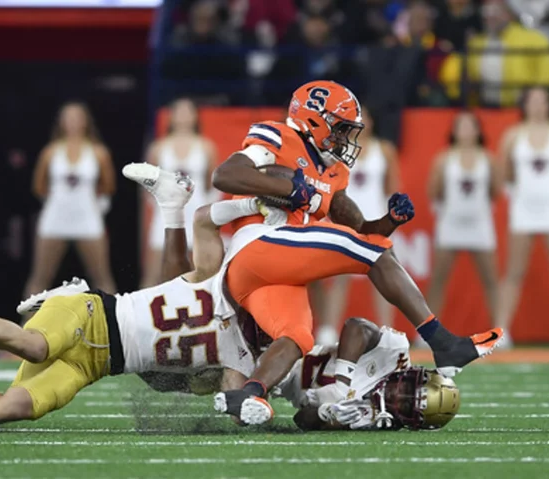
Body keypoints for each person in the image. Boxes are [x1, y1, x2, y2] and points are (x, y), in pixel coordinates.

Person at [0, 165, 256, 430]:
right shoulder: (217, 282)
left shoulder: (239, 359)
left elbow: (234, 402)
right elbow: (205, 220)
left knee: (14, 407)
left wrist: (251, 402)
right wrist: (253, 204)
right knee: (34, 346)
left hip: (96, 366)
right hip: (91, 312)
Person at [210, 80, 503, 425]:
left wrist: (388, 221)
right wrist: (287, 186)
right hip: (257, 244)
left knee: (297, 337)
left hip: (273, 271)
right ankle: (441, 341)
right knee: (370, 253)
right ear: (315, 120)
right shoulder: (277, 136)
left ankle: (250, 394)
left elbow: (362, 229)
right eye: (341, 128)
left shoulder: (332, 170)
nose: (346, 139)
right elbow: (225, 174)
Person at [276, 317, 460, 431]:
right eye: (407, 387)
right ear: (412, 374)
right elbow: (356, 326)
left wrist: (326, 414)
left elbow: (301, 419)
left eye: (405, 404)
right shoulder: (394, 352)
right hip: (289, 348)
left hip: (280, 385)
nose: (397, 394)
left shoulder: (373, 419)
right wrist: (341, 384)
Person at [319, 105, 400, 345]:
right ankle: (328, 330)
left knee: (384, 276)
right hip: (346, 219)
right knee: (339, 277)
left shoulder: (383, 150)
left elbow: (391, 188)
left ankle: (389, 331)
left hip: (375, 220)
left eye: (366, 117)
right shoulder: (338, 151)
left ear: (373, 122)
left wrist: (391, 219)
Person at [25, 103, 116, 297]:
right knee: (40, 277)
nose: (73, 122)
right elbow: (39, 186)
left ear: (85, 121)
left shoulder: (98, 152)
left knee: (102, 276)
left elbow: (108, 186)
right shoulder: (50, 152)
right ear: (61, 122)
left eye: (77, 117)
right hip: (55, 220)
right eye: (68, 117)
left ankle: (113, 325)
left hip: (88, 220)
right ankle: (25, 325)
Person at [426, 110, 501, 338]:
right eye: (461, 126)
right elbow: (434, 191)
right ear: (454, 131)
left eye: (470, 126)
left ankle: (500, 331)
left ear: (478, 131)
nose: (466, 131)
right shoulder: (444, 159)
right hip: (451, 223)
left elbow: (495, 191)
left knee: (491, 279)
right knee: (438, 279)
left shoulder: (488, 159)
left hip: (480, 223)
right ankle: (429, 332)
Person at [142, 98, 217, 287]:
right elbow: (148, 184)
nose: (183, 116)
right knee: (153, 274)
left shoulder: (206, 146)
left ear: (195, 116)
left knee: (200, 275)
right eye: (179, 111)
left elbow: (213, 183)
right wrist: (162, 205)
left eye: (188, 111)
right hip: (166, 215)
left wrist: (206, 213)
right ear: (171, 116)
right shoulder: (158, 148)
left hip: (195, 214)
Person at [497, 86, 549, 346]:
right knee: (513, 272)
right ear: (525, 104)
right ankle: (502, 330)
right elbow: (504, 173)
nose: (538, 106)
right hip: (524, 209)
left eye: (543, 101)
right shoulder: (513, 136)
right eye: (533, 100)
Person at [440, 0, 549, 106]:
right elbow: (456, 72)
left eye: (496, 10)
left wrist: (536, 99)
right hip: (484, 107)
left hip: (521, 108)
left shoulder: (534, 40)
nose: (491, 16)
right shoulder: (476, 43)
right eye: (486, 10)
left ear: (509, 13)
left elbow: (546, 74)